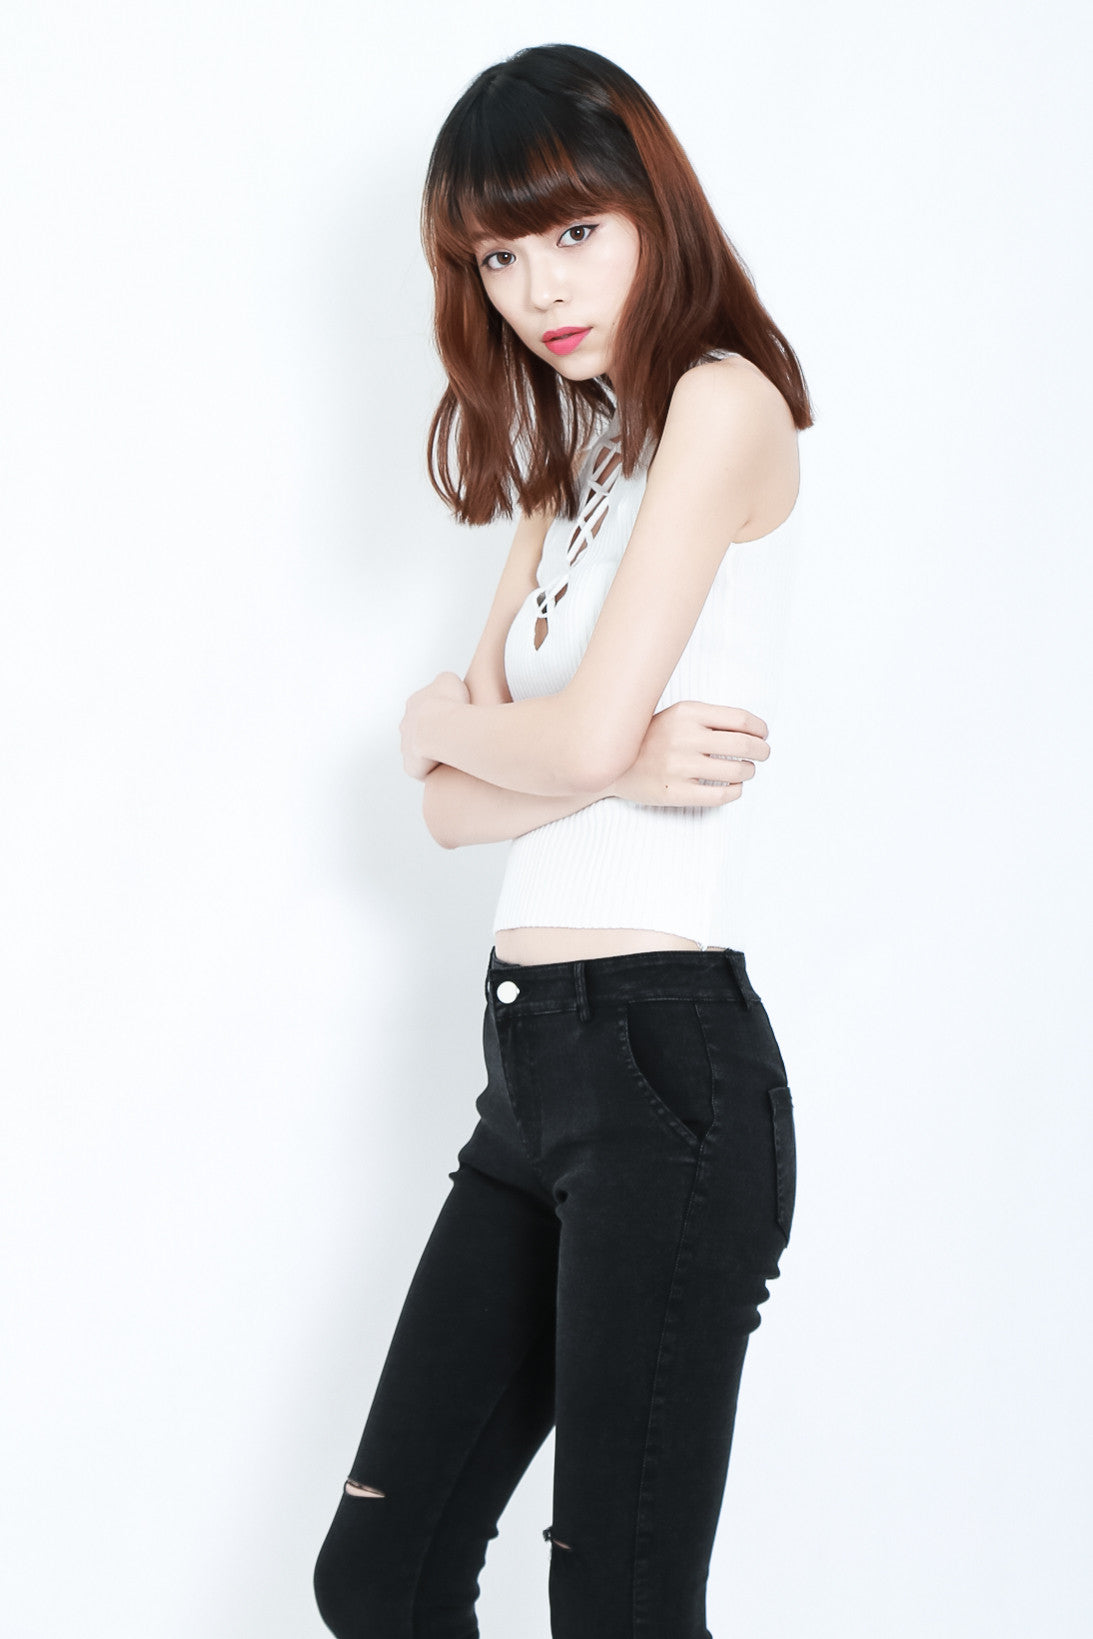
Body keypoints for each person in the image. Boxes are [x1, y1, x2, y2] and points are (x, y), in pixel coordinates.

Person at [314, 41, 813, 1639]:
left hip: (665, 1064)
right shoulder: (573, 459)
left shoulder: (722, 405)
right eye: (497, 257)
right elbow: (447, 806)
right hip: (527, 1068)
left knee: (618, 1611)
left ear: (655, 208)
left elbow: (501, 744)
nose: (538, 288)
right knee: (378, 1579)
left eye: (573, 233)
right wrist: (603, 755)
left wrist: (481, 728)